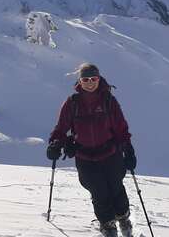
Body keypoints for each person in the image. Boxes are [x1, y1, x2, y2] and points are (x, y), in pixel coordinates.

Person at [47, 63, 137, 237]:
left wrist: (128, 149)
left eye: (93, 79)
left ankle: (123, 217)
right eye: (85, 79)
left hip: (110, 153)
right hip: (85, 156)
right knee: (98, 191)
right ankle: (107, 224)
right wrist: (56, 143)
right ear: (80, 81)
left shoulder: (108, 101)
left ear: (99, 79)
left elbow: (121, 128)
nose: (90, 82)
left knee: (115, 187)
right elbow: (61, 127)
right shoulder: (72, 103)